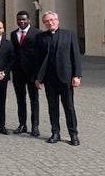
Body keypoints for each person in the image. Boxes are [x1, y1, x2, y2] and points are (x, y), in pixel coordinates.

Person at [34, 11, 82, 146]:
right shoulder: (40, 37)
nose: (50, 23)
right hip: (49, 78)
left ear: (57, 20)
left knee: (69, 107)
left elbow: (75, 57)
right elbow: (37, 59)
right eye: (47, 21)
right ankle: (55, 132)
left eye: (52, 20)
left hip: (65, 77)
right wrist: (38, 78)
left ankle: (73, 134)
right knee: (52, 106)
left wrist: (77, 75)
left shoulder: (69, 34)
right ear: (44, 24)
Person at [10, 11, 42, 136]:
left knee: (34, 99)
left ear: (29, 19)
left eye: (23, 19)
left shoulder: (37, 33)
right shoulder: (13, 34)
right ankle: (22, 124)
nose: (21, 22)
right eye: (19, 20)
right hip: (18, 72)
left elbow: (39, 54)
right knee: (20, 99)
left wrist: (37, 74)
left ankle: (35, 126)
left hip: (32, 72)